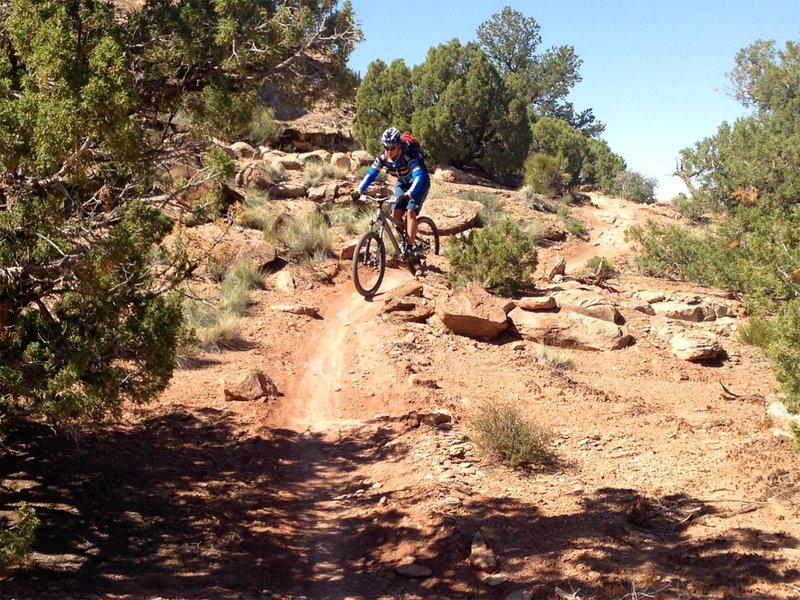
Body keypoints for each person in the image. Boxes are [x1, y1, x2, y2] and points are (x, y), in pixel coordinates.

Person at [351, 127, 430, 255]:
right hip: (402, 183)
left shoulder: (407, 156)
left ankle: (409, 247)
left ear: (399, 145)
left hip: (419, 183)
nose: (389, 151)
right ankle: (405, 238)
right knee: (396, 215)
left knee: (410, 211)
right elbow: (371, 174)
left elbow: (418, 176)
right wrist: (359, 190)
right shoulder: (383, 157)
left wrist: (410, 193)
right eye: (386, 148)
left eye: (392, 148)